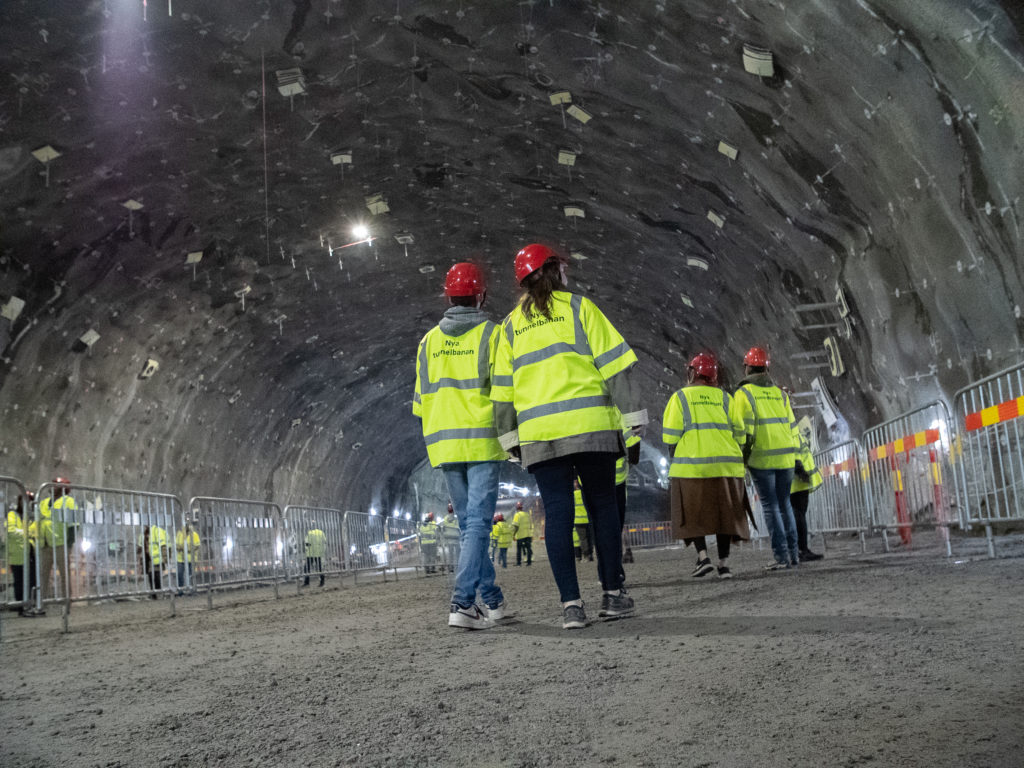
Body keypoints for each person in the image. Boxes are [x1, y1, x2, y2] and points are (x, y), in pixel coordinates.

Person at [491, 243, 647, 629]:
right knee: (603, 507)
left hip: (541, 436)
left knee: (558, 514)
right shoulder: (580, 309)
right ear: (554, 271)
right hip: (590, 427)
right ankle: (613, 595)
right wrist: (633, 420)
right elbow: (615, 367)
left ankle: (571, 606)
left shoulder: (508, 328)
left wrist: (509, 439)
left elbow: (502, 392)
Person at [413, 262, 510, 630]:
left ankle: (493, 601)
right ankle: (462, 603)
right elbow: (504, 391)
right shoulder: (493, 335)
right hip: (482, 440)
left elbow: (420, 402)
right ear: (481, 296)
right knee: (478, 525)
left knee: (471, 525)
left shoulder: (428, 342)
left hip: (446, 445)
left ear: (448, 297)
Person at [663, 352, 751, 580]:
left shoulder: (680, 398)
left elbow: (670, 436)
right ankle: (724, 565)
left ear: (692, 373)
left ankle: (703, 558)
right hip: (726, 468)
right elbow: (740, 434)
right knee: (725, 516)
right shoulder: (726, 398)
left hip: (692, 468)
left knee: (693, 516)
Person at [733, 346, 800, 570]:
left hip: (762, 459)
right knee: (785, 504)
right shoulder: (781, 394)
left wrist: (741, 457)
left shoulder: (744, 394)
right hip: (786, 458)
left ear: (747, 367)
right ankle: (794, 554)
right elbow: (792, 427)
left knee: (771, 507)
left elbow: (742, 431)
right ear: (766, 369)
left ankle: (781, 557)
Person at [36, 477, 78, 604]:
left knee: (64, 574)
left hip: (61, 543)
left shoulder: (68, 501)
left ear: (63, 488)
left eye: (56, 485)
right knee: (43, 574)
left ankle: (66, 600)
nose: (53, 487)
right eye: (53, 484)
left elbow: (73, 524)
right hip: (45, 544)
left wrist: (69, 543)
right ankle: (42, 601)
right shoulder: (44, 502)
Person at [791, 423, 824, 561]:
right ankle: (802, 550)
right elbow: (794, 451)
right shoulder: (791, 431)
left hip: (796, 479)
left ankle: (799, 549)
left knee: (798, 515)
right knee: (799, 515)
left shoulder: (791, 431)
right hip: (797, 480)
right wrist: (800, 469)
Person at [6, 493, 36, 614]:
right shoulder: (12, 515)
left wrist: (28, 533)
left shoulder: (31, 517)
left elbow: (36, 531)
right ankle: (20, 606)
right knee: (19, 581)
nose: (27, 503)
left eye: (30, 501)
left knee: (31, 581)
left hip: (30, 553)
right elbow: (11, 530)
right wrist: (27, 533)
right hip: (18, 554)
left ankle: (28, 605)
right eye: (25, 500)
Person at [137, 524, 169, 598]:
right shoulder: (143, 534)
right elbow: (140, 546)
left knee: (156, 576)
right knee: (151, 576)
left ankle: (158, 592)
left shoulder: (156, 532)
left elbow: (163, 545)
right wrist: (140, 556)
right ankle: (154, 593)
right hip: (148, 559)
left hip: (156, 559)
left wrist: (165, 557)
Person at [175, 520, 201, 595]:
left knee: (191, 575)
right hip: (181, 559)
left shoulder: (194, 534)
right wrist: (180, 548)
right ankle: (181, 591)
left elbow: (197, 545)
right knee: (180, 575)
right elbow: (177, 545)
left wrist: (187, 549)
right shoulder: (179, 534)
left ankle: (192, 590)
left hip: (191, 559)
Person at [572, 480, 594, 562]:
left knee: (583, 539)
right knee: (589, 538)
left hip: (578, 521)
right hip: (587, 519)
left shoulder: (572, 495)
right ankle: (591, 555)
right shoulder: (585, 494)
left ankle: (586, 555)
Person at [439, 503, 461, 575]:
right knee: (458, 554)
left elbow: (442, 528)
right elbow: (459, 527)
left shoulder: (445, 519)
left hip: (449, 539)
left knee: (450, 555)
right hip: (456, 539)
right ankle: (458, 567)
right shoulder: (456, 518)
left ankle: (451, 568)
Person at [303, 522, 327, 587]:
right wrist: (323, 551)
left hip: (310, 553)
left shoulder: (309, 533)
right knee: (320, 568)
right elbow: (324, 542)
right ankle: (322, 582)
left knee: (306, 568)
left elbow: (307, 543)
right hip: (319, 553)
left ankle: (307, 582)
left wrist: (306, 550)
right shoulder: (321, 533)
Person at [511, 501, 533, 566]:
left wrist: (513, 534)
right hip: (528, 534)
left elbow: (516, 526)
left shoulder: (517, 515)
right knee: (528, 548)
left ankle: (519, 563)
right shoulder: (527, 514)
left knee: (519, 550)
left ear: (517, 508)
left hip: (520, 535)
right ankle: (529, 562)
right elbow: (530, 525)